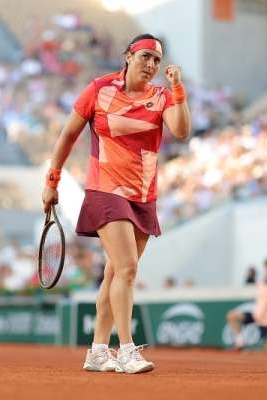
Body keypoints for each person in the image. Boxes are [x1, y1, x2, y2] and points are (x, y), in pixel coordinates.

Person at [42, 34, 190, 374]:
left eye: (156, 59)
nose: (151, 64)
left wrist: (178, 90)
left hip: (144, 196)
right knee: (127, 269)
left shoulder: (162, 96)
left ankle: (96, 350)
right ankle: (125, 349)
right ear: (128, 56)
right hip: (106, 191)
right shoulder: (99, 89)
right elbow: (67, 136)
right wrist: (52, 181)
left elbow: (181, 130)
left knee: (114, 276)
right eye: (145, 57)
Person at [226, 257, 267, 351]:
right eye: (266, 266)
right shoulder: (261, 282)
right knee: (232, 315)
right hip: (256, 315)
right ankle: (240, 343)